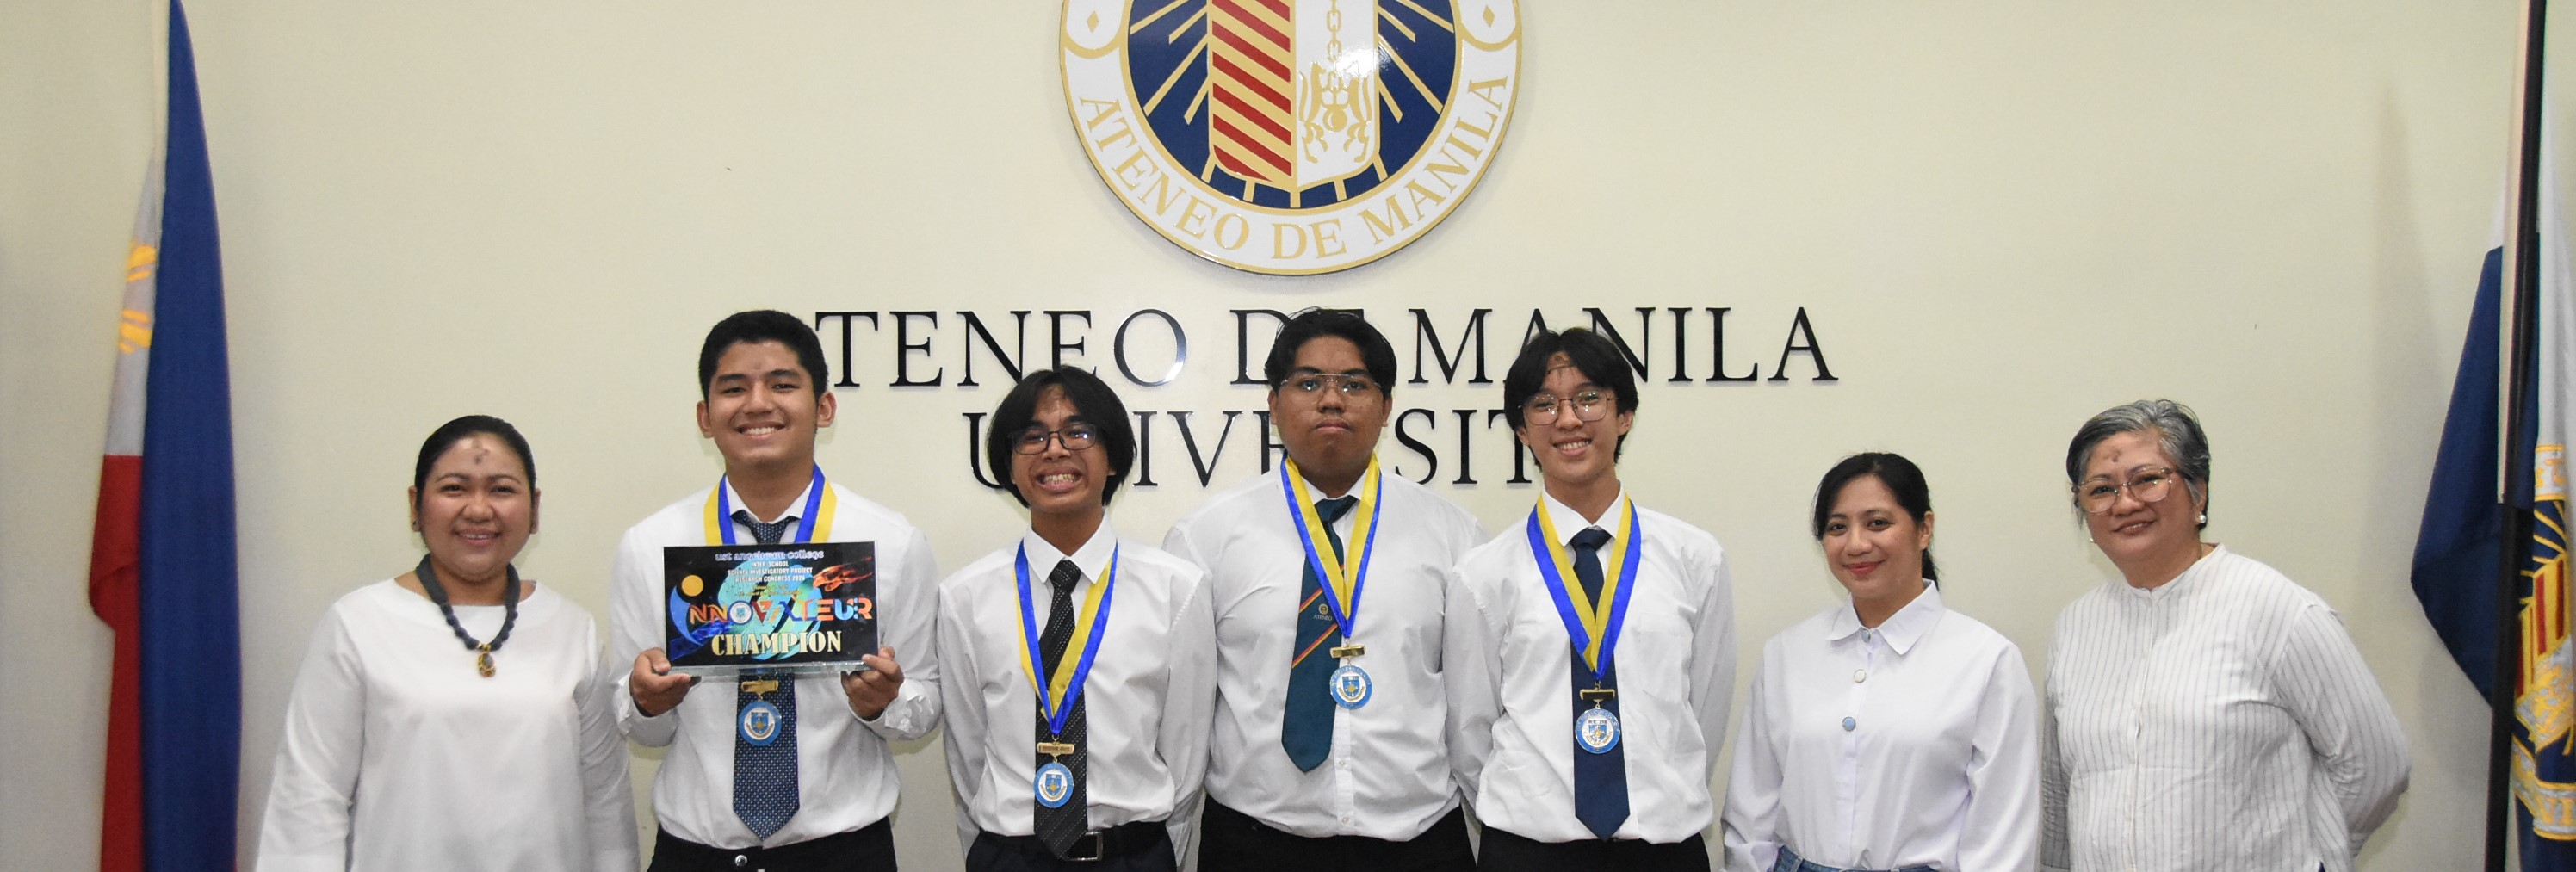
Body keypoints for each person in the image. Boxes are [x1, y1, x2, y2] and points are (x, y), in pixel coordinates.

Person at [609, 310, 940, 871]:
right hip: (695, 854)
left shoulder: (891, 542)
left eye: (783, 384)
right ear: (705, 416)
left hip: (844, 853)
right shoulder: (651, 545)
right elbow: (636, 718)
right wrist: (645, 698)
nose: (758, 403)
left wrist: (881, 703)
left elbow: (925, 704)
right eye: (734, 388)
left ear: (825, 407)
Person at [1163, 308, 1487, 872]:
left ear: (1386, 408)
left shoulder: (1454, 534)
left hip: (1418, 843)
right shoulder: (1206, 536)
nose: (1331, 399)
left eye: (1355, 385)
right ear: (1273, 403)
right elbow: (1183, 715)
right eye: (1308, 382)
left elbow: (1474, 709)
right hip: (1255, 842)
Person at [2040, 399, 2407, 872]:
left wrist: (2311, 857)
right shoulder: (2076, 627)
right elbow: (2059, 787)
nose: (2125, 503)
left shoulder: (2276, 609)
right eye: (2102, 489)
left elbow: (2377, 763)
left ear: (2199, 493)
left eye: (2148, 479)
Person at [257, 415, 636, 871]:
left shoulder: (571, 627)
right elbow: (309, 800)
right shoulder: (358, 624)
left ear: (535, 509)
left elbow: (605, 803)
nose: (478, 510)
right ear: (416, 505)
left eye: (501, 489)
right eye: (455, 488)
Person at [1449, 328, 1736, 871]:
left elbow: (1705, 711)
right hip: (1530, 852)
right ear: (1521, 431)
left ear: (1624, 415)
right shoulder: (1484, 573)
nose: (1568, 419)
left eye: (1588, 398)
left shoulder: (1695, 558)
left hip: (1663, 849)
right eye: (1543, 404)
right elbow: (1471, 734)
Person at [938, 367, 1217, 871]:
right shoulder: (965, 596)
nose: (1055, 450)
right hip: (1013, 855)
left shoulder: (1176, 588)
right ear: (1010, 465)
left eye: (1079, 432)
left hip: (1132, 855)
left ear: (1113, 459)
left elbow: (1186, 755)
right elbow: (968, 754)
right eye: (1032, 436)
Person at [1721, 452, 2039, 872]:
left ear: (1924, 529)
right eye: (1838, 527)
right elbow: (1751, 812)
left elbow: (2003, 836)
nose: (1856, 544)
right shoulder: (1787, 654)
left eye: (1878, 523)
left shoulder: (1986, 659)